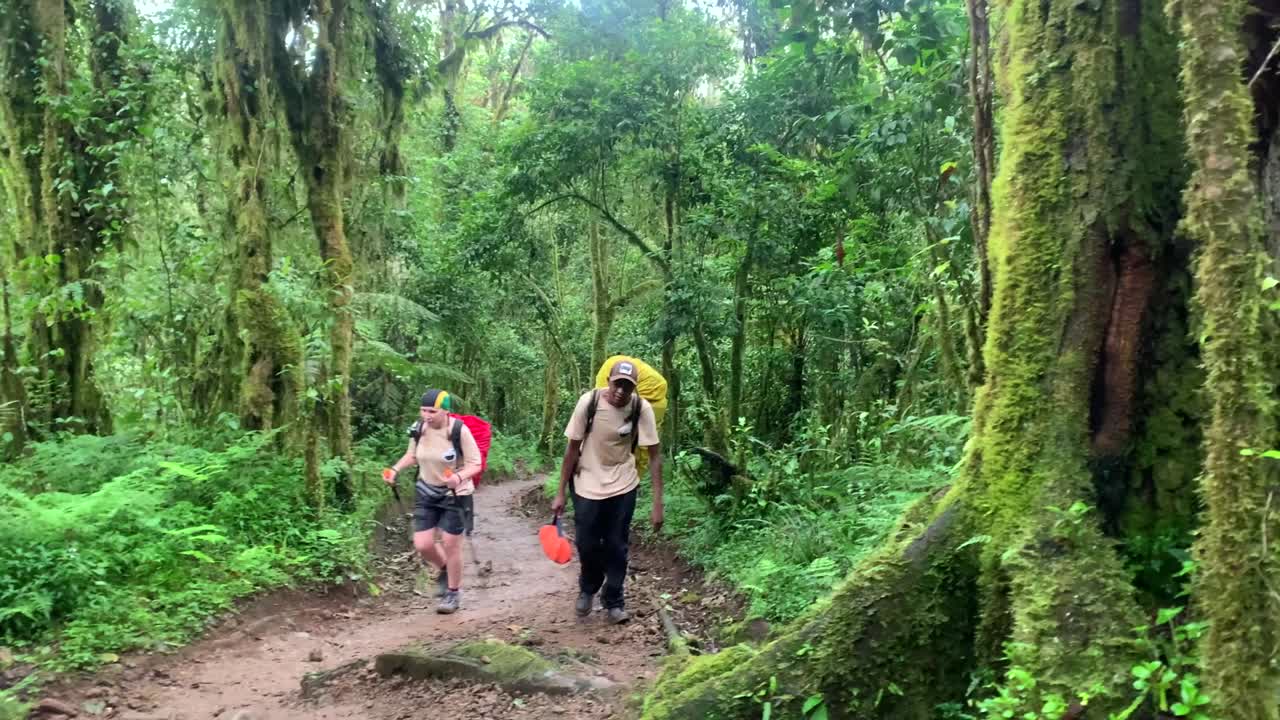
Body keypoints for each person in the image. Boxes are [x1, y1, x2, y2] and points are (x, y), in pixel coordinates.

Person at [552, 359, 664, 624]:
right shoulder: (588, 402)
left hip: (623, 482)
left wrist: (658, 503)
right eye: (617, 384)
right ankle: (588, 588)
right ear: (608, 382)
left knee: (616, 544)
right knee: (587, 543)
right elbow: (572, 449)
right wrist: (560, 493)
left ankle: (614, 600)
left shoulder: (640, 408)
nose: (621, 391)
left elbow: (655, 455)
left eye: (627, 386)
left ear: (634, 388)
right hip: (586, 481)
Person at [383, 389, 481, 614]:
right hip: (426, 491)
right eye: (424, 410)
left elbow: (475, 464)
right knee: (423, 544)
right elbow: (412, 455)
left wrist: (458, 477)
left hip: (455, 494)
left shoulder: (458, 430)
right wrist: (395, 469)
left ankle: (453, 593)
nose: (426, 415)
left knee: (450, 542)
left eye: (432, 411)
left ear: (445, 411)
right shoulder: (419, 428)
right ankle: (445, 569)